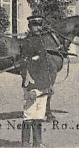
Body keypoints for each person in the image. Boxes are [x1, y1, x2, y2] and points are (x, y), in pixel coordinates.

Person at [20, 15, 55, 146]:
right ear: (30, 27)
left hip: (43, 83)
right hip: (32, 84)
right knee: (29, 115)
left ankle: (37, 143)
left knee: (39, 115)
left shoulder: (41, 42)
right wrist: (30, 87)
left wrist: (50, 84)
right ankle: (25, 144)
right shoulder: (26, 42)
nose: (38, 28)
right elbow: (24, 65)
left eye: (40, 25)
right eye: (35, 25)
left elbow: (45, 65)